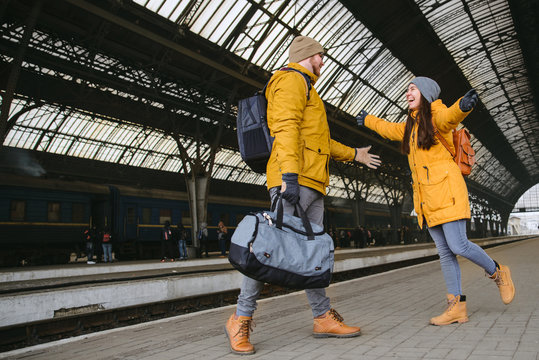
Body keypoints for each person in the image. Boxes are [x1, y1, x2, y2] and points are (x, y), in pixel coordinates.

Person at [224, 36, 382, 355]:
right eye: (321, 56)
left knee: (312, 255)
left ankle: (322, 317)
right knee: (268, 249)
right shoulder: (292, 80)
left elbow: (319, 141)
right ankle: (240, 318)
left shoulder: (309, 89)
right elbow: (285, 128)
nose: (324, 62)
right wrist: (290, 177)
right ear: (307, 56)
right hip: (294, 179)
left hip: (313, 181)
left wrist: (354, 154)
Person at [356, 76, 515, 325]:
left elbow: (449, 117)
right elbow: (388, 129)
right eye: (407, 89)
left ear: (426, 94)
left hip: (447, 192)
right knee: (445, 253)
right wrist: (367, 120)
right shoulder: (410, 125)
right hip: (426, 198)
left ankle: (497, 272)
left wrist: (463, 106)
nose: (408, 93)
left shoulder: (437, 116)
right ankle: (456, 307)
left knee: (459, 245)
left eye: (413, 89)